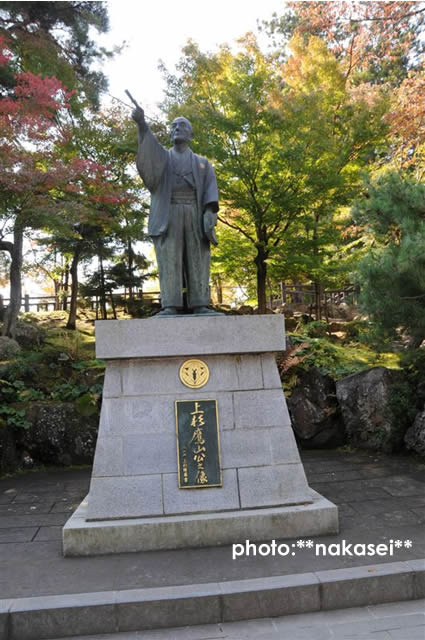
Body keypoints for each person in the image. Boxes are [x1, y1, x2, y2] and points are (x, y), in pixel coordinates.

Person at [131, 102, 220, 315]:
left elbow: (210, 190)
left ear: (190, 134)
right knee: (169, 257)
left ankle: (200, 303)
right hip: (168, 211)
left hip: (194, 211)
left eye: (181, 125)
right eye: (173, 126)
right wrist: (142, 124)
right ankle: (170, 304)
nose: (176, 128)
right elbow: (149, 152)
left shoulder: (202, 163)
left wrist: (209, 212)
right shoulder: (163, 158)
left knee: (198, 256)